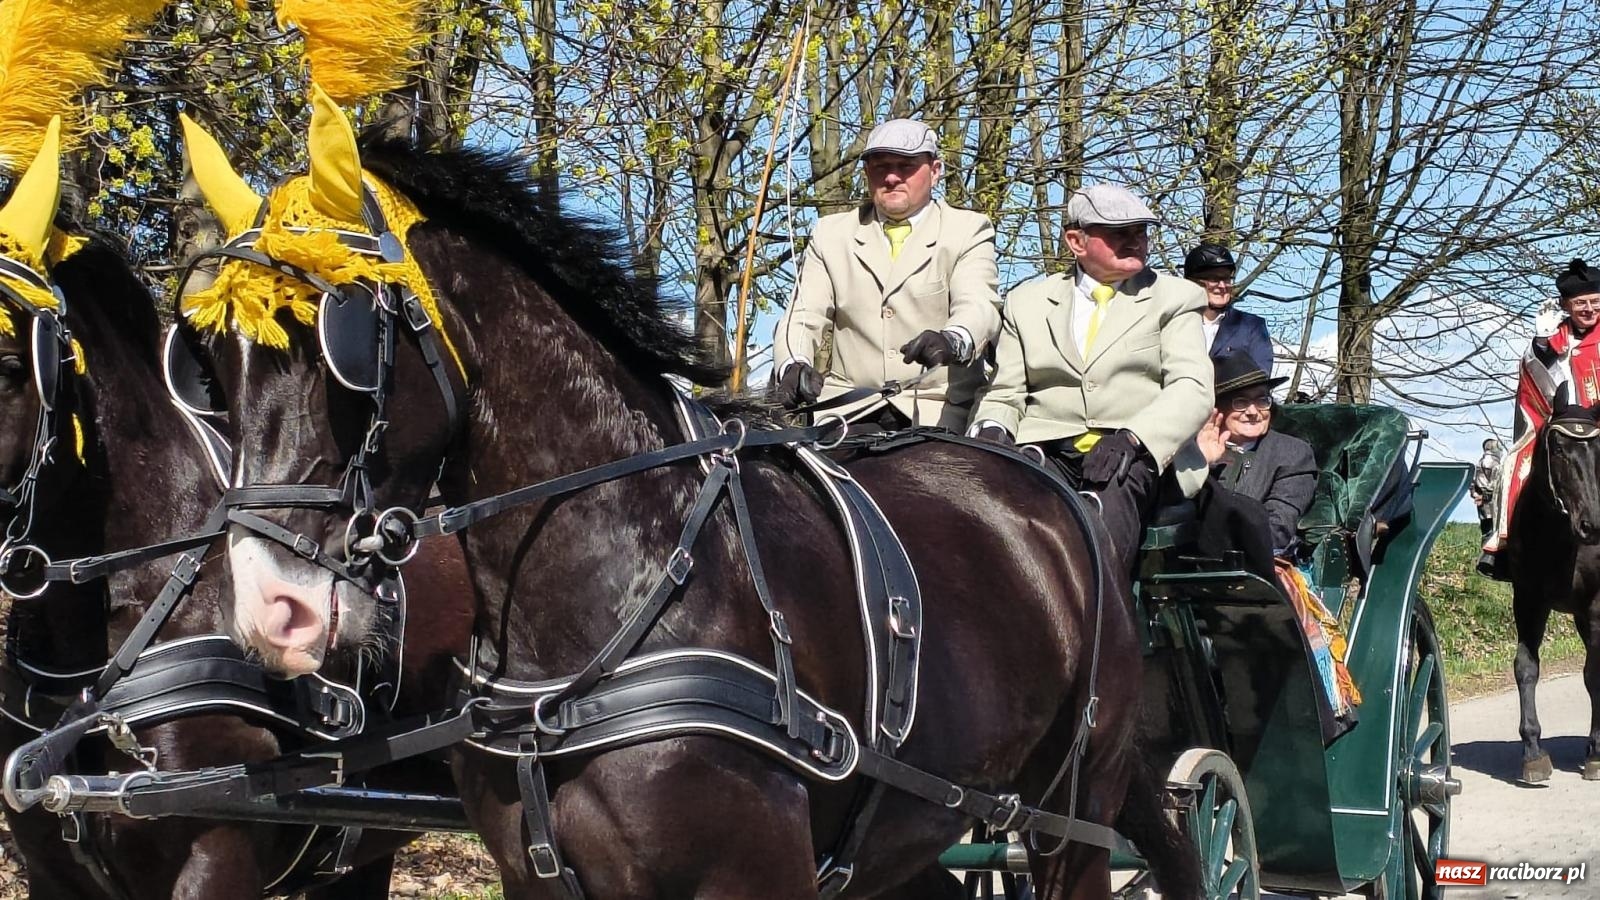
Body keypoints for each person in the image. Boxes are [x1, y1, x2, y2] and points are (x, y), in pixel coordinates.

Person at [970, 183, 1212, 574]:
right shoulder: (1027, 303)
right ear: (1076, 241)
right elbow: (1006, 391)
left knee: (1098, 521)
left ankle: (1099, 626)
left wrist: (1134, 437)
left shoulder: (1174, 298)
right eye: (1120, 233)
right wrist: (993, 431)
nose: (1136, 241)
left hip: (1134, 455)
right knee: (995, 517)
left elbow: (1193, 389)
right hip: (1045, 449)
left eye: (1141, 232)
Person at [771, 118, 1001, 431]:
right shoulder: (831, 234)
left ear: (935, 171)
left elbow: (979, 306)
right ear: (866, 174)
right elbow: (803, 314)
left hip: (939, 414)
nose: (892, 177)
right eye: (880, 167)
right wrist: (793, 363)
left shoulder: (967, 230)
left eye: (905, 166)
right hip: (847, 413)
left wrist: (952, 339)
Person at [1480, 259, 1600, 579]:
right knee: (1513, 465)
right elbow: (1535, 379)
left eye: (1594, 303)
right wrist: (1541, 345)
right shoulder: (1552, 339)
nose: (1588, 310)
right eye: (1580, 303)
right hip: (1559, 425)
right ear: (1566, 305)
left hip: (1598, 425)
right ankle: (1504, 545)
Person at [1189, 352, 1319, 567]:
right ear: (1217, 409)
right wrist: (1203, 465)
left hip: (1253, 567)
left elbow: (1277, 530)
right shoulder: (1189, 451)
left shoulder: (1292, 453)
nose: (1253, 411)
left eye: (1262, 400)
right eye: (1240, 402)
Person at [1184, 242, 1273, 373]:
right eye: (1214, 279)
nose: (1222, 286)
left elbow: (1260, 379)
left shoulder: (1251, 327)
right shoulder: (1173, 323)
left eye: (1227, 279)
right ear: (1192, 282)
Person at [1470, 437, 1503, 542]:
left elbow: (1472, 484)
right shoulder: (1494, 463)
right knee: (1492, 535)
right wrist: (1485, 496)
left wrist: (1476, 495)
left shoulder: (1479, 463)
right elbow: (1496, 484)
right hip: (1492, 505)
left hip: (1482, 505)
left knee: (1486, 534)